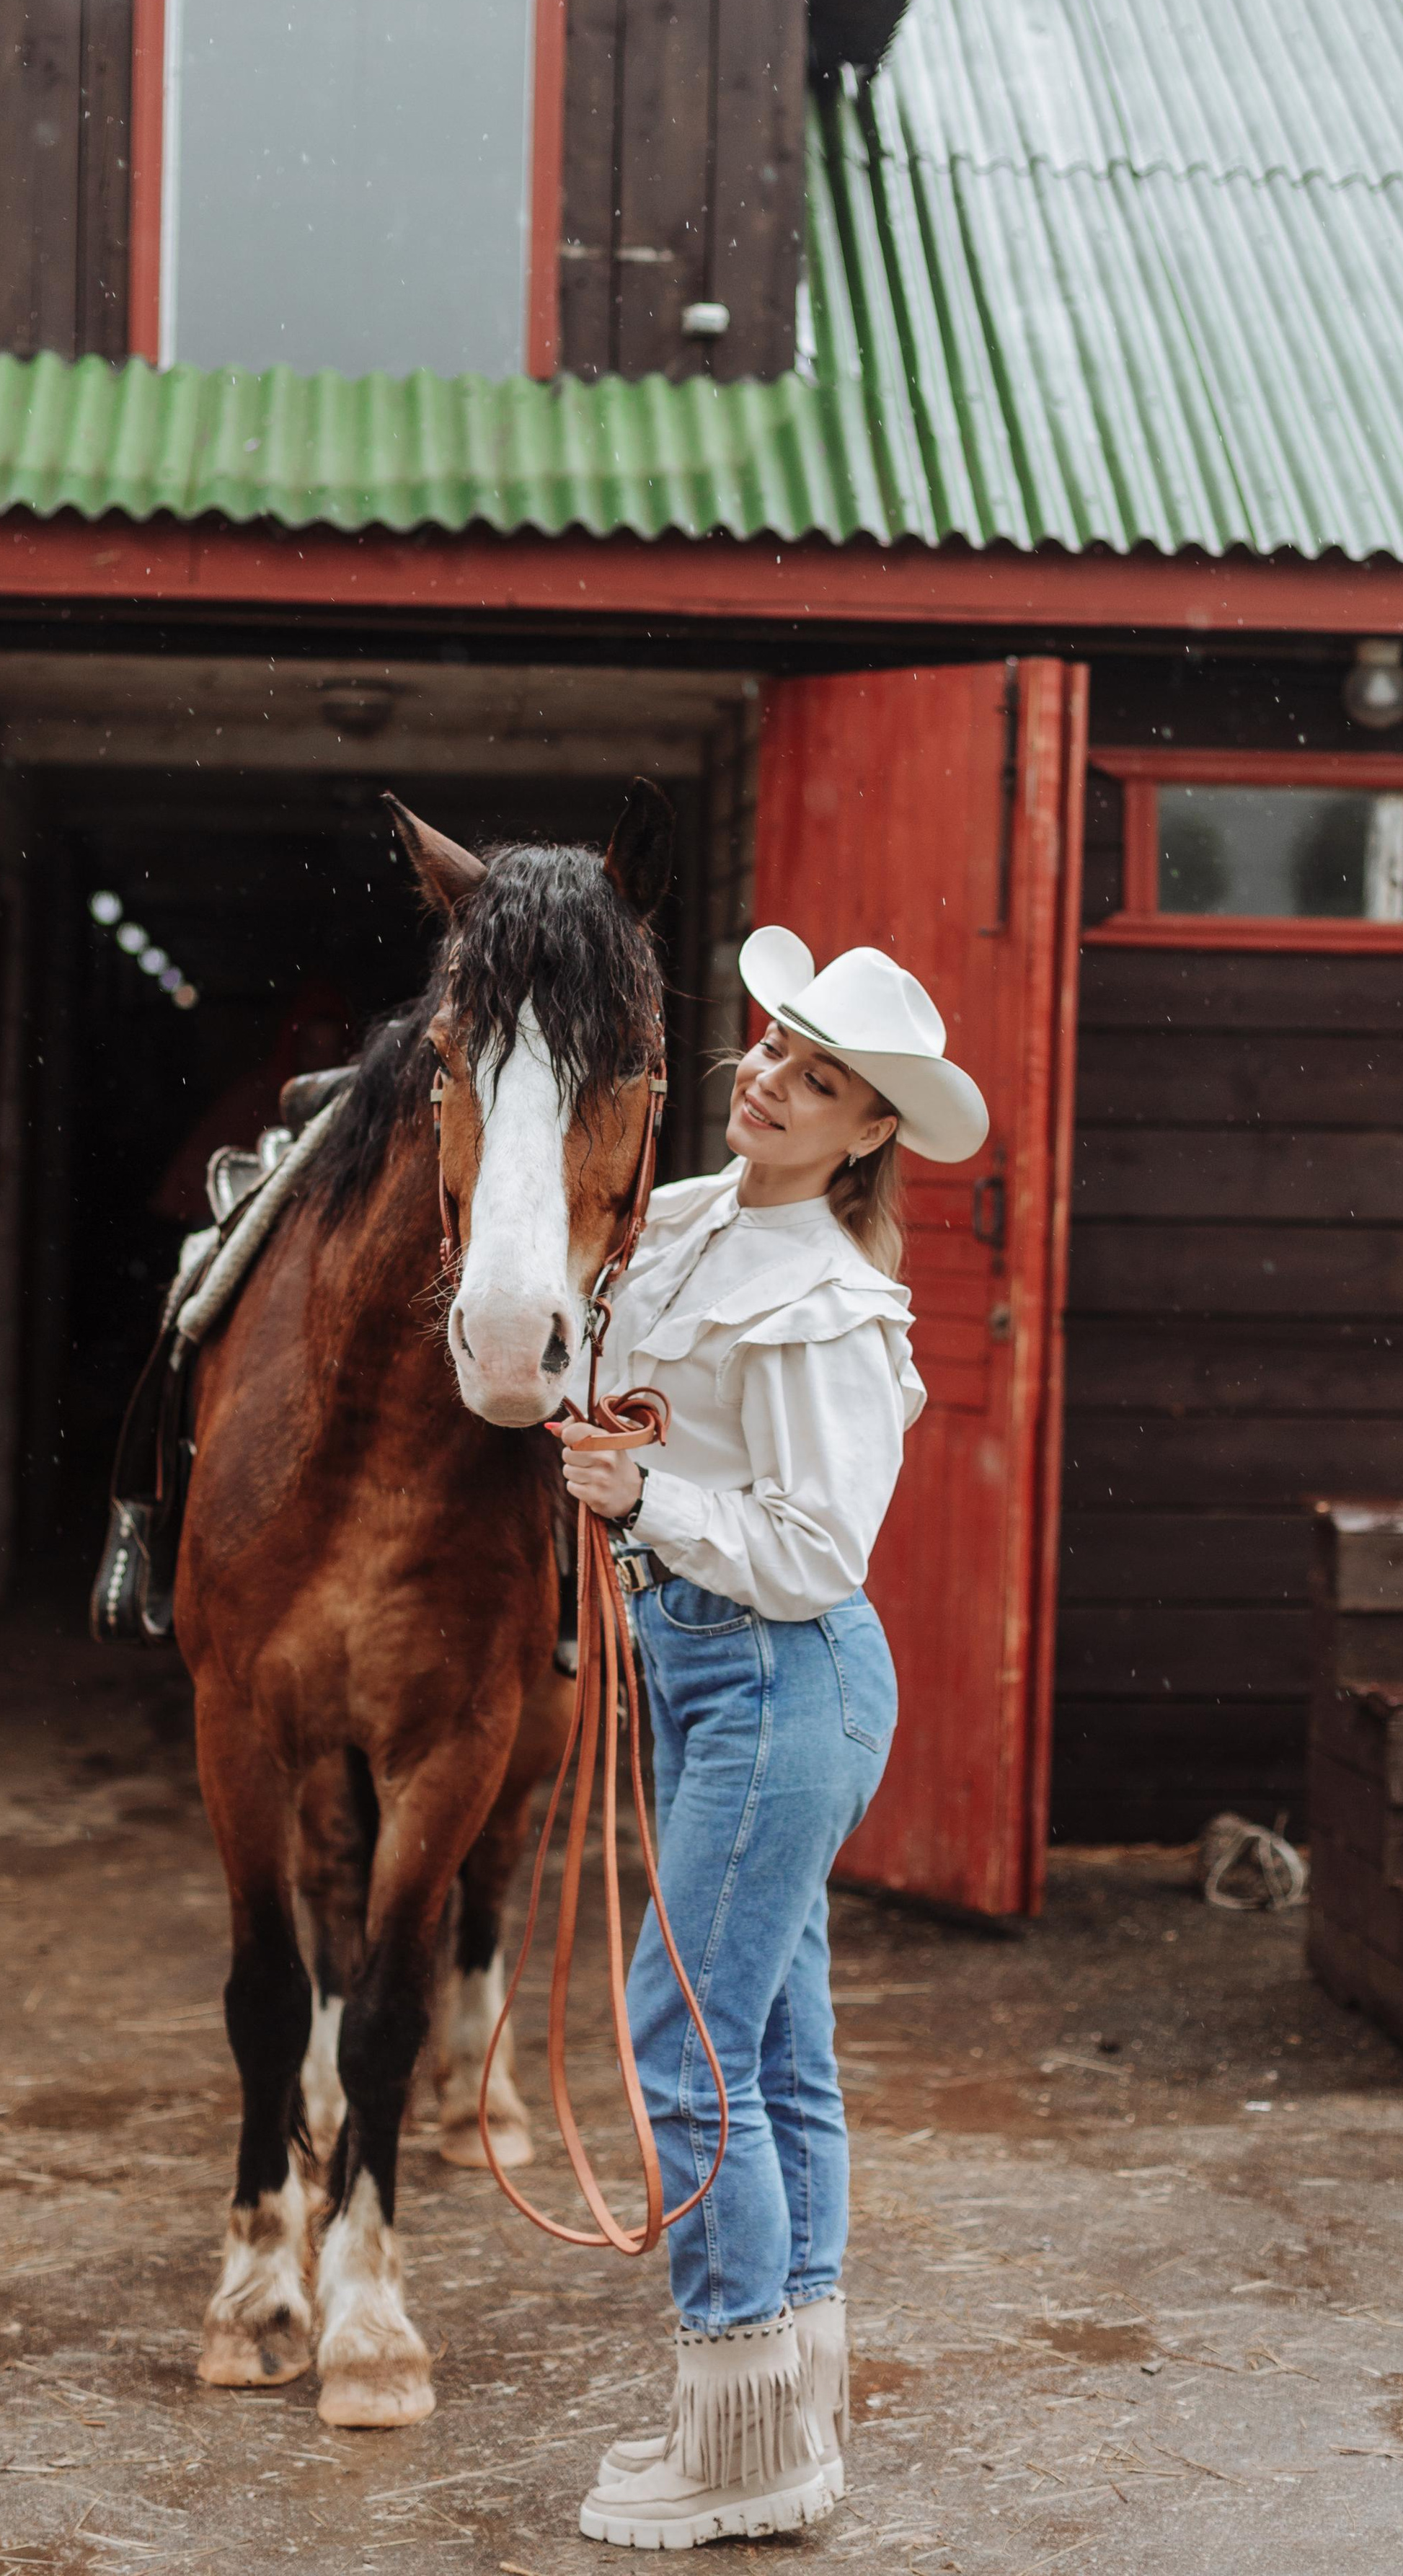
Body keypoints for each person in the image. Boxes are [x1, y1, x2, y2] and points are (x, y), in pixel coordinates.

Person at [556, 926, 990, 2551]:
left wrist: (641, 1497)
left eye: (820, 1081)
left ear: (868, 1130)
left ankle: (732, 2442)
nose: (772, 1082)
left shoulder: (825, 1297)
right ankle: (784, 2408)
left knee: (687, 2042)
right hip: (708, 1675)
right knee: (777, 2047)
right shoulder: (686, 1221)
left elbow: (820, 1549)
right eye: (772, 1049)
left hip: (776, 1675)